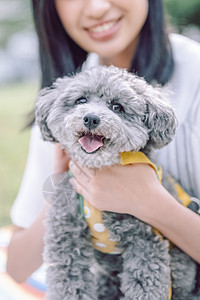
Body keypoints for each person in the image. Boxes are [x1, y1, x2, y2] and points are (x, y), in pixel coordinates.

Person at [7, 0, 200, 291]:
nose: (97, 7)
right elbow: (17, 265)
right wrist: (67, 190)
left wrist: (151, 203)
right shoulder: (64, 104)